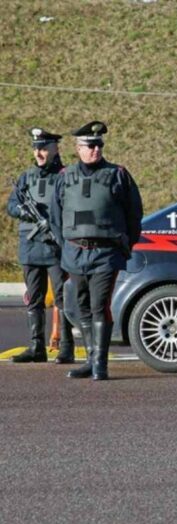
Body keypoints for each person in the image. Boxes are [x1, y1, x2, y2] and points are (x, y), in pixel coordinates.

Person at [50, 121, 143, 381]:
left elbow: (134, 215)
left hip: (105, 253)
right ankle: (90, 359)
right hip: (75, 253)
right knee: (80, 307)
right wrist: (65, 245)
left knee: (99, 305)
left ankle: (100, 365)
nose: (96, 149)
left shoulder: (118, 175)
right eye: (90, 145)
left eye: (99, 145)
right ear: (78, 148)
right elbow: (56, 218)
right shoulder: (65, 177)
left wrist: (125, 245)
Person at [6, 128, 75, 364]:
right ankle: (36, 347)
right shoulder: (27, 177)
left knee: (62, 298)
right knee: (34, 299)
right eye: (36, 148)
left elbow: (72, 209)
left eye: (43, 147)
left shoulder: (65, 177)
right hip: (30, 246)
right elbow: (11, 205)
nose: (39, 152)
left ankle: (66, 347)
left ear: (55, 149)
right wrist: (23, 212)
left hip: (54, 247)